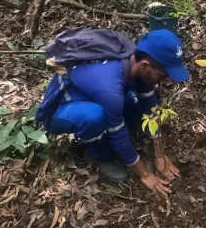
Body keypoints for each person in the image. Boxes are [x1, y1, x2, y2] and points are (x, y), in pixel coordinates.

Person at [37, 29, 189, 196]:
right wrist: (145, 174)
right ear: (145, 65)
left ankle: (107, 127)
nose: (162, 81)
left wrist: (159, 155)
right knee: (96, 117)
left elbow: (150, 106)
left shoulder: (136, 58)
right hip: (61, 108)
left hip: (95, 94)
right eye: (162, 76)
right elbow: (119, 137)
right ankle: (99, 154)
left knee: (133, 102)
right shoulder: (110, 88)